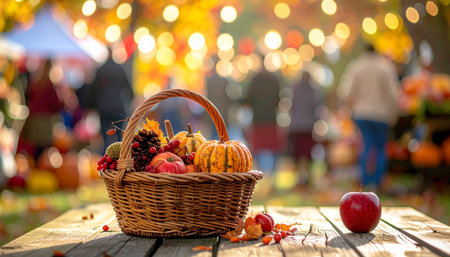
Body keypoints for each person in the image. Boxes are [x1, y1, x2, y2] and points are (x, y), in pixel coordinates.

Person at [339, 45, 399, 188]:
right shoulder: (385, 67)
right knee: (380, 149)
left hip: (362, 113)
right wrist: (394, 113)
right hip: (381, 115)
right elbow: (393, 94)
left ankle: (365, 181)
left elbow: (347, 94)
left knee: (365, 146)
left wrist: (350, 108)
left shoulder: (356, 67)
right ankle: (377, 181)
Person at [87, 48, 134, 151]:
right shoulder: (120, 69)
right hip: (118, 107)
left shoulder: (101, 69)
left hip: (103, 108)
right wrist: (129, 102)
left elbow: (94, 89)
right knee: (119, 137)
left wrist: (91, 106)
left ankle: (105, 159)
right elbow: (129, 90)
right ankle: (121, 160)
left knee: (104, 138)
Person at [18, 59, 64, 157]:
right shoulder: (51, 85)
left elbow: (29, 99)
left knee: (34, 150)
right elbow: (57, 105)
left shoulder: (36, 82)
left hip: (34, 120)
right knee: (43, 152)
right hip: (45, 124)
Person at [244, 64, 282, 173]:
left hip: (258, 119)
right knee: (273, 148)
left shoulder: (254, 80)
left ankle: (260, 173)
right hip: (271, 118)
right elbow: (279, 98)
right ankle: (272, 174)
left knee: (258, 149)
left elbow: (248, 99)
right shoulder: (274, 79)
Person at [289, 71, 323, 183]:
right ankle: (306, 177)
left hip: (296, 126)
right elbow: (317, 107)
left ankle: (300, 177)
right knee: (307, 152)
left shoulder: (294, 89)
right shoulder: (314, 90)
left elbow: (291, 106)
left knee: (298, 152)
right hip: (308, 125)